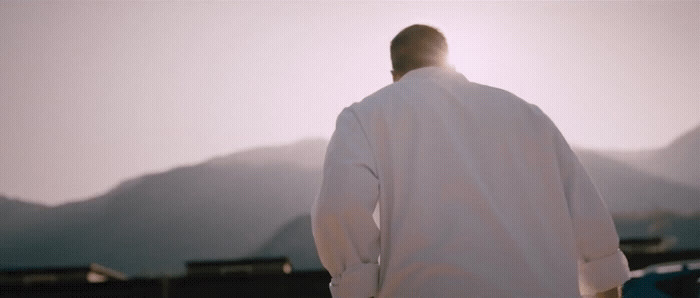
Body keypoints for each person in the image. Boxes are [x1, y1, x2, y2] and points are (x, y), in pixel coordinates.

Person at [311, 24, 630, 297]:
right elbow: (592, 224)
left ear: (395, 73)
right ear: (447, 61)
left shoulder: (365, 118)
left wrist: (356, 286)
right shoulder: (526, 115)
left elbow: (340, 204)